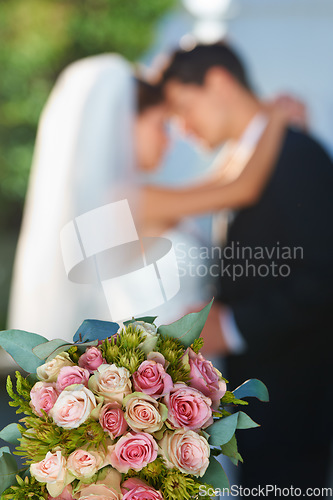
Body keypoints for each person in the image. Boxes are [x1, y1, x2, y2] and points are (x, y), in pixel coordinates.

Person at [9, 53, 293, 343]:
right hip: (167, 361)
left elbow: (221, 183)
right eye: (161, 126)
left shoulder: (122, 199)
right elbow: (239, 189)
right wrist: (274, 119)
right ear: (125, 125)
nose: (169, 140)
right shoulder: (131, 201)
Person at [160, 42, 333, 492]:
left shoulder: (297, 153)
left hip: (292, 405)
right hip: (240, 409)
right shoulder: (240, 165)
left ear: (217, 82)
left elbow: (323, 276)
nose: (181, 128)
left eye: (182, 108)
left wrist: (232, 326)